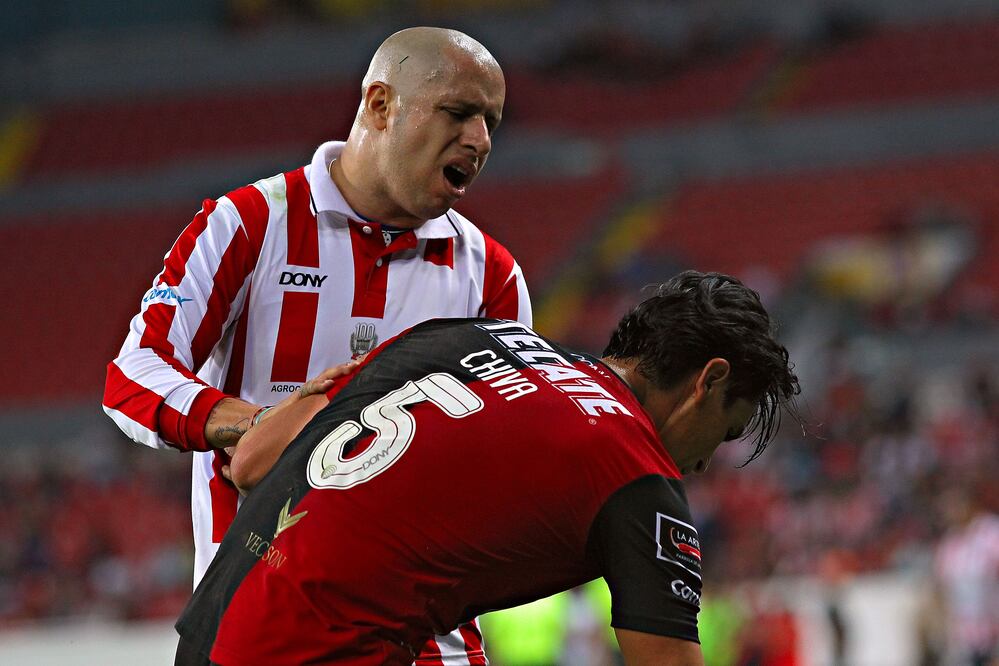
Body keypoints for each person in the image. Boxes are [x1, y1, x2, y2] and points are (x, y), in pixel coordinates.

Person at [102, 26, 530, 663]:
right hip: (260, 624)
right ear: (380, 106)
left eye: (491, 121)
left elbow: (509, 460)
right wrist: (265, 426)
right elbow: (133, 377)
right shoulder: (249, 223)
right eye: (460, 112)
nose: (480, 140)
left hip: (427, 642)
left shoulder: (491, 275)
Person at [173, 271, 800, 666]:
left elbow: (250, 460)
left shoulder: (468, 336)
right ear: (708, 381)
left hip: (212, 626)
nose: (701, 463)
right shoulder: (637, 473)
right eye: (726, 430)